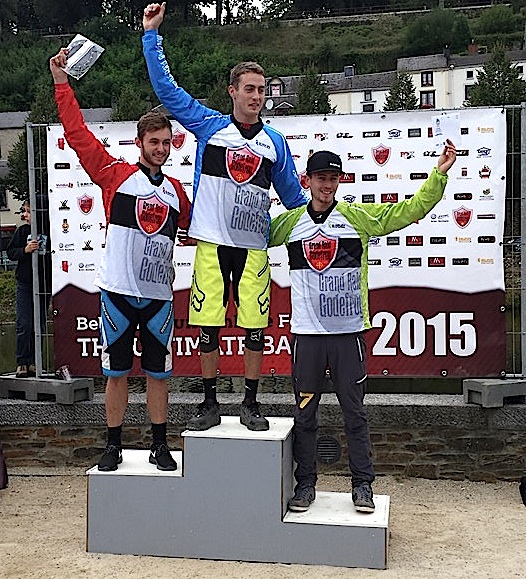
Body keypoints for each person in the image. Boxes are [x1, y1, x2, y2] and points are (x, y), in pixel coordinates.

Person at [142, 3, 307, 432]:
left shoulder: (275, 142)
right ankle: (210, 401)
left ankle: (250, 403)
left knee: (255, 328)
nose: (257, 96)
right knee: (209, 327)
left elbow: (294, 199)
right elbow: (167, 91)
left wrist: (331, 220)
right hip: (212, 242)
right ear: (232, 91)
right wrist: (151, 35)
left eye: (262, 89)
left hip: (252, 248)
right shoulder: (208, 125)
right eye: (249, 88)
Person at [269, 143, 457, 513]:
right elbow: (249, 238)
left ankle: (363, 485)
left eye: (334, 179)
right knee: (305, 413)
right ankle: (306, 484)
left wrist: (439, 175)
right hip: (307, 336)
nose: (328, 185)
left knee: (354, 413)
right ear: (307, 180)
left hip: (348, 334)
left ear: (340, 180)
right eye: (322, 178)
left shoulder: (356, 218)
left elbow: (406, 212)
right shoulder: (290, 223)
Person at [49, 48, 192, 472]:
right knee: (115, 375)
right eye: (154, 142)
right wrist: (61, 83)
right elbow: (77, 135)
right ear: (139, 143)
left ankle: (159, 445)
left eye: (167, 143)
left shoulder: (177, 194)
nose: (161, 149)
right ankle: (112, 445)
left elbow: (206, 227)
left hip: (158, 299)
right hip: (116, 294)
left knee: (159, 376)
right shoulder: (114, 176)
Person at [6, 199, 51, 379]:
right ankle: (22, 362)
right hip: (25, 284)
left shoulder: (50, 230)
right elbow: (11, 252)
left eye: (28, 211)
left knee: (38, 325)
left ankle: (35, 362)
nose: (24, 215)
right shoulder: (23, 231)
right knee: (24, 324)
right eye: (24, 211)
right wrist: (25, 250)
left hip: (44, 285)